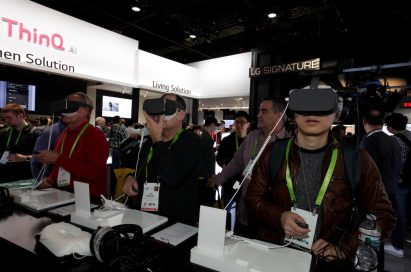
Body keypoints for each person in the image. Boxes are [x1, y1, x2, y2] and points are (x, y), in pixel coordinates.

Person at [246, 87, 396, 270]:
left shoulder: (356, 159)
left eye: (322, 105)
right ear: (293, 114)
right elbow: (252, 198)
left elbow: (383, 215)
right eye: (305, 105)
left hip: (328, 262)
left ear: (337, 113)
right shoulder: (273, 153)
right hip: (277, 254)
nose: (313, 112)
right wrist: (280, 217)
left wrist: (344, 249)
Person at [208, 98, 287, 235]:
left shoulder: (289, 141)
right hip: (245, 211)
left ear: (278, 115)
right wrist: (219, 178)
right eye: (258, 111)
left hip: (271, 219)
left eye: (263, 111)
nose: (258, 115)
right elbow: (236, 163)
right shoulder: (252, 137)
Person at [122, 93, 201, 224]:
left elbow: (172, 177)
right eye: (160, 106)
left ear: (181, 114)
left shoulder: (191, 141)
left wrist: (157, 140)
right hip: (146, 217)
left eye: (168, 107)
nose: (162, 112)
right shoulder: (149, 142)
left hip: (176, 221)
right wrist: (130, 178)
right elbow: (139, 170)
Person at [35, 92, 109, 199]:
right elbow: (61, 164)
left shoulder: (96, 136)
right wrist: (51, 179)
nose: (65, 109)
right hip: (63, 195)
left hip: (87, 200)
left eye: (71, 105)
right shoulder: (65, 133)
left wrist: (58, 158)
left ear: (85, 111)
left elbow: (94, 173)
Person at [384, 113, 411, 257]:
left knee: (398, 214)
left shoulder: (392, 141)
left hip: (399, 183)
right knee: (407, 211)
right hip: (409, 181)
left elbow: (392, 166)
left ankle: (397, 246)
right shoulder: (410, 135)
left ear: (391, 126)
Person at [216, 111, 250, 211]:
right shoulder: (227, 140)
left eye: (242, 122)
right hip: (228, 182)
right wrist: (225, 165)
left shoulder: (252, 141)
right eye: (237, 122)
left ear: (248, 124)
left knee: (242, 212)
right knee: (225, 211)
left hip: (244, 183)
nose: (239, 125)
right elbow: (219, 158)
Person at [0, 103, 40, 182]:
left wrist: (26, 158)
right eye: (4, 118)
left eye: (9, 118)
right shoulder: (3, 133)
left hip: (25, 180)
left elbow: (43, 157)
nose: (6, 121)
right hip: (4, 179)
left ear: (20, 116)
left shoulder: (35, 134)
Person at [198, 116, 219, 207]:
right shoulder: (206, 138)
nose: (215, 128)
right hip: (205, 176)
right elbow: (208, 159)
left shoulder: (203, 136)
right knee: (206, 201)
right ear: (211, 125)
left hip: (202, 175)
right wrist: (212, 175)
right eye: (215, 126)